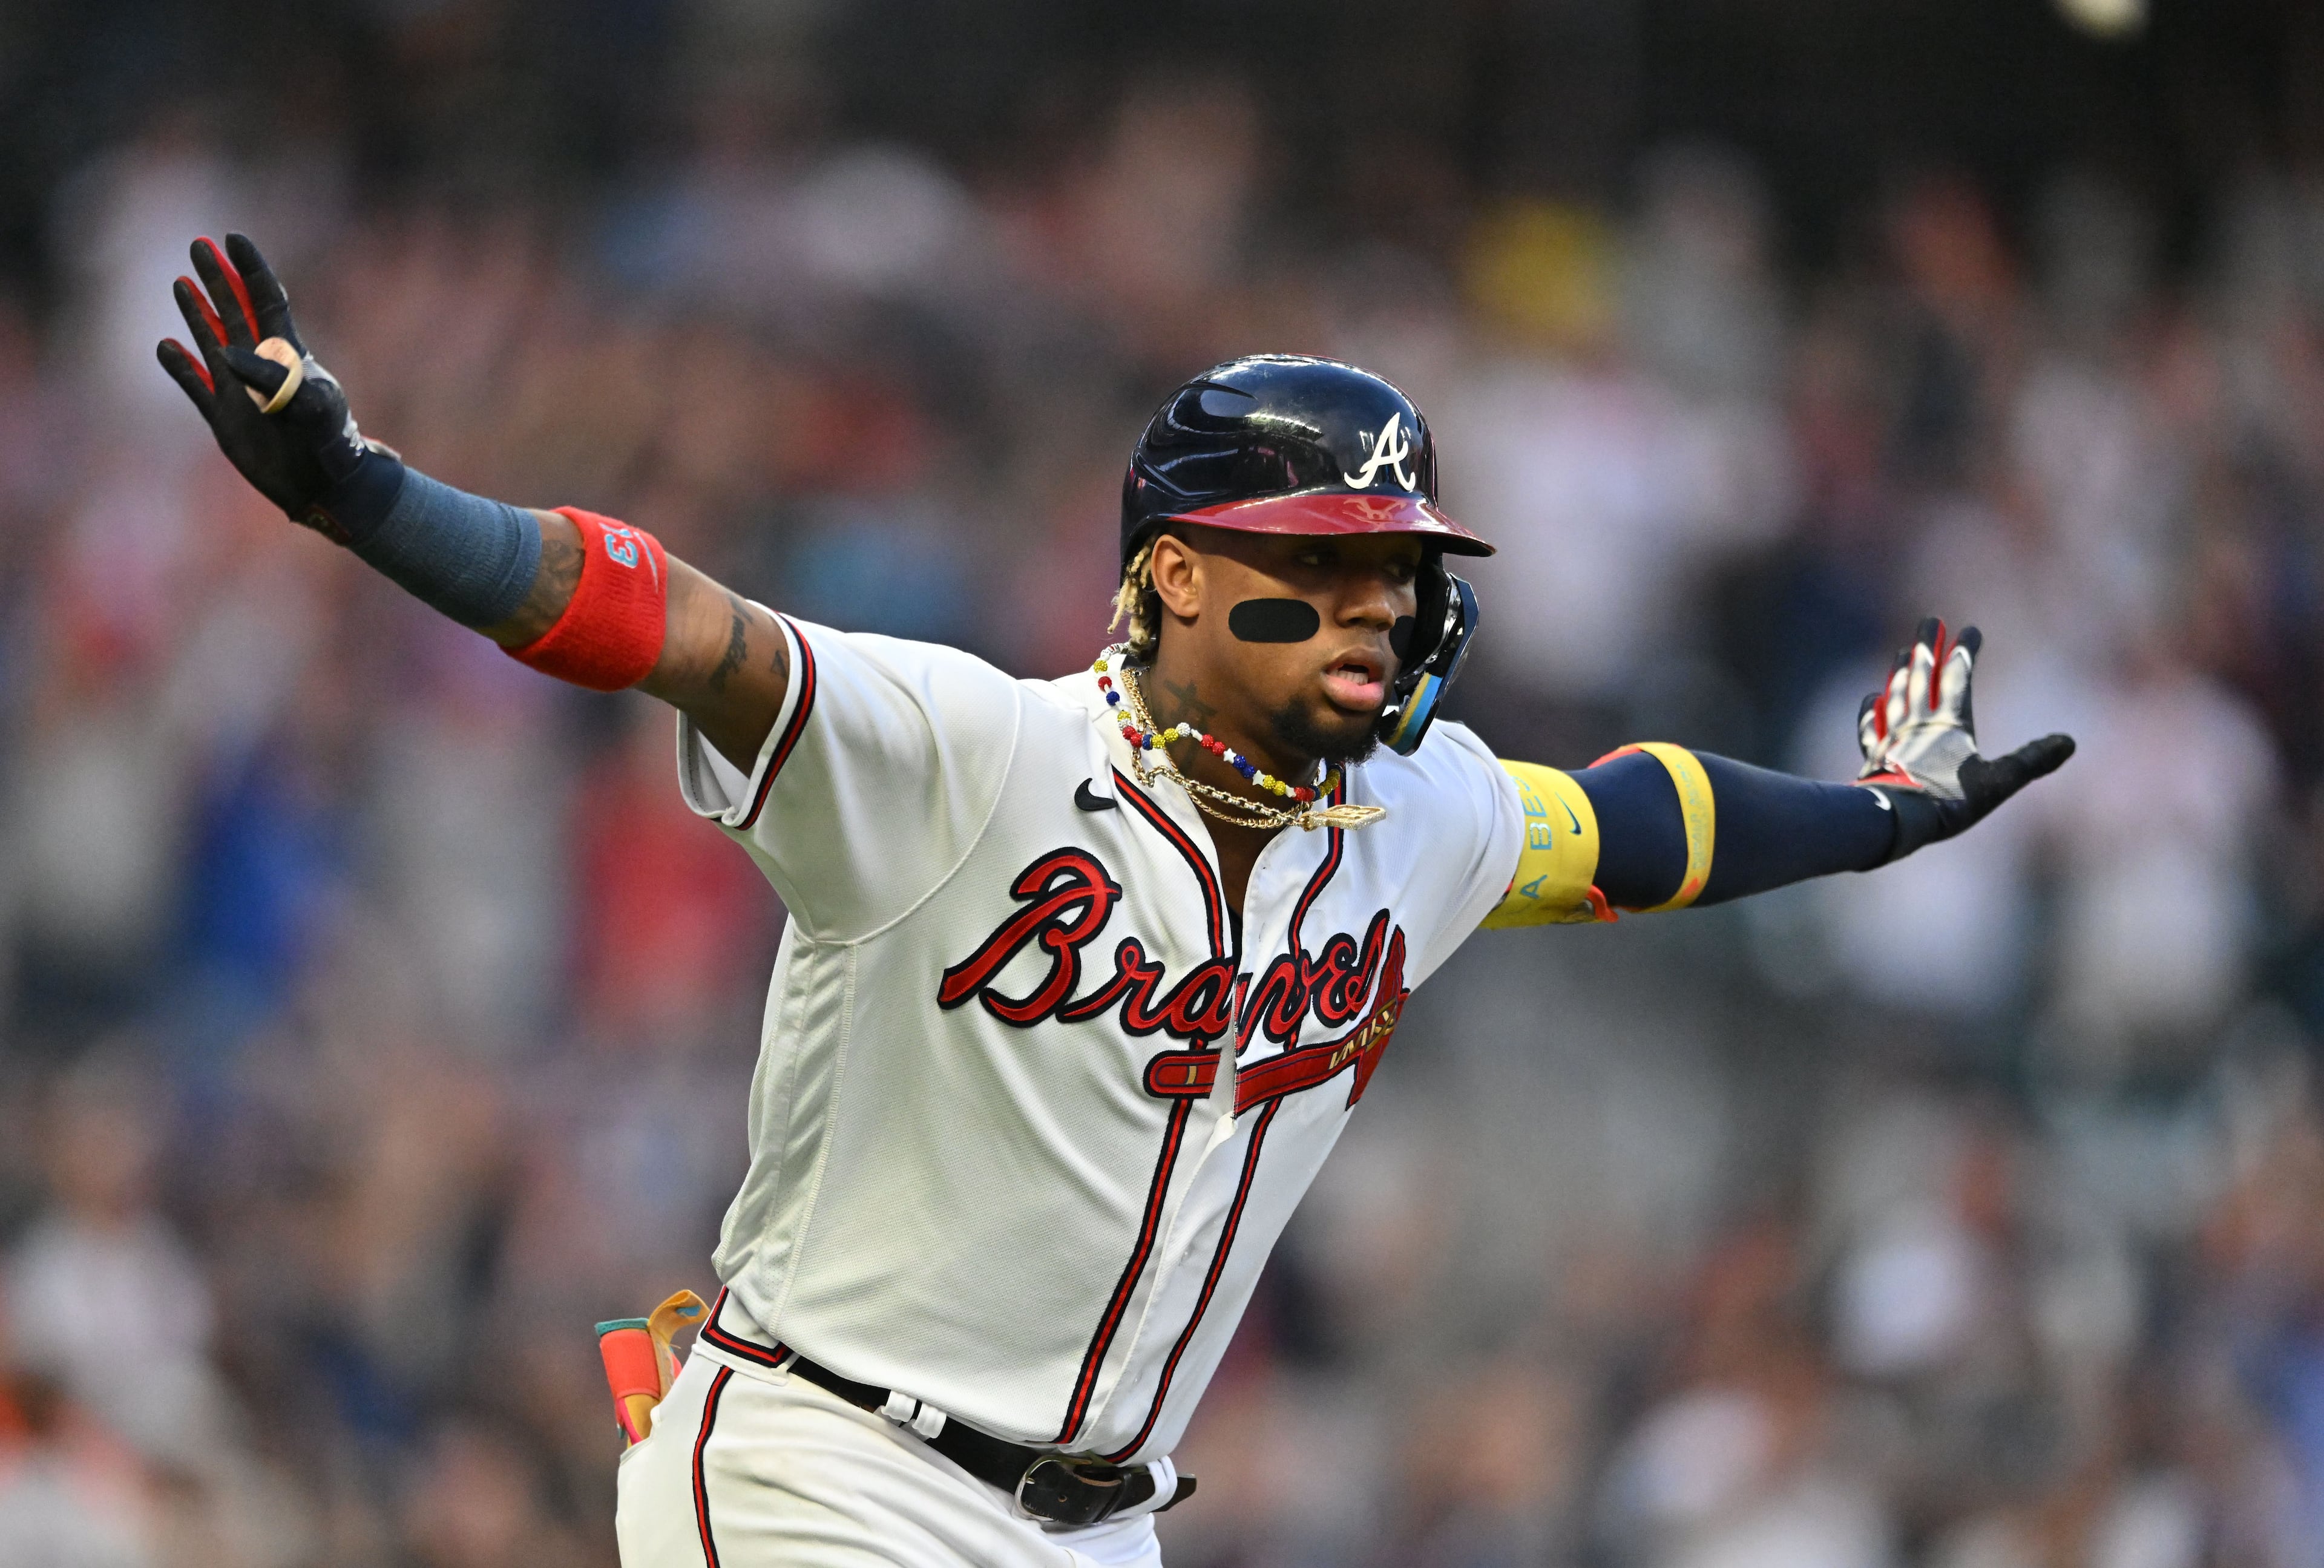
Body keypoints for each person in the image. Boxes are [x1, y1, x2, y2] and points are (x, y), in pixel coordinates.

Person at [157, 234, 2071, 1568]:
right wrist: (371, 498)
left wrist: (1881, 816)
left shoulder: (1422, 814)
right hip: (834, 1465)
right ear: (1166, 580)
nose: (1377, 613)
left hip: (1103, 1525)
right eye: (1317, 571)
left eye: (1399, 572)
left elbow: (1639, 828)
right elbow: (676, 627)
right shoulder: (964, 748)